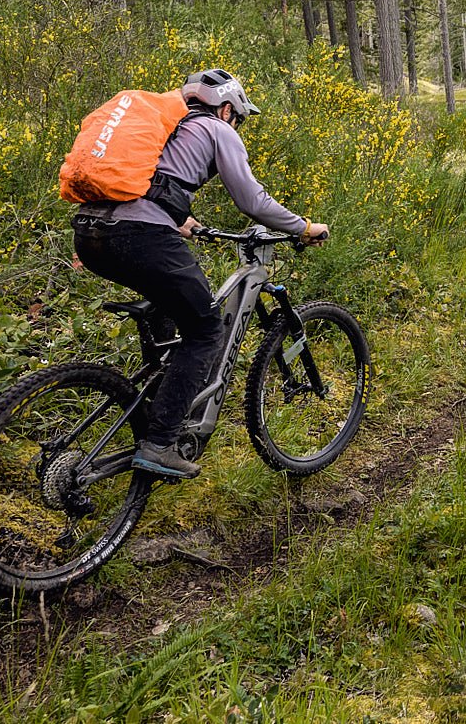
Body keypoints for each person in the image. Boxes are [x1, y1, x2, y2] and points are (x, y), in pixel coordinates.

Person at [71, 69, 329, 478]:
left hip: (90, 233)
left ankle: (158, 408)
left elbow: (148, 185)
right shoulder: (216, 127)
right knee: (206, 329)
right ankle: (159, 443)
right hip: (140, 235)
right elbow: (252, 200)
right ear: (226, 108)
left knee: (170, 309)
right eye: (238, 118)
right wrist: (303, 226)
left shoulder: (162, 127)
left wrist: (184, 221)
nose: (236, 125)